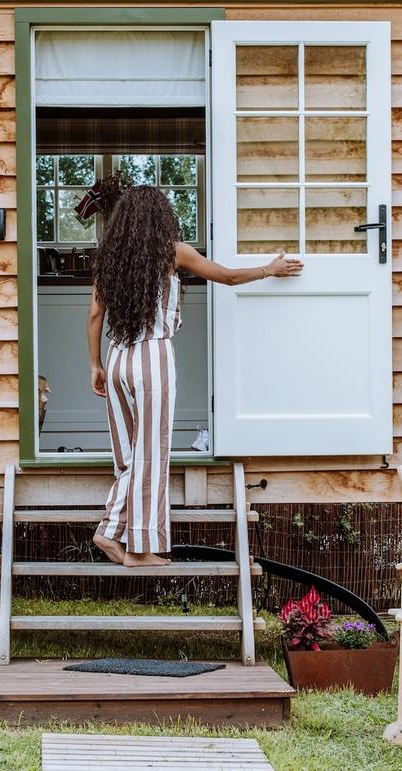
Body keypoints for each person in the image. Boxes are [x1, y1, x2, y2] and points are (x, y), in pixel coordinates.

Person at [86, 186, 302, 567]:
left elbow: (93, 316)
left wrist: (95, 365)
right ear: (161, 217)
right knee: (150, 454)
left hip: (117, 356)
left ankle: (112, 529)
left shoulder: (110, 257)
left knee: (128, 456)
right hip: (152, 355)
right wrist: (270, 269)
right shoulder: (172, 250)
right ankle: (135, 548)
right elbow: (228, 277)